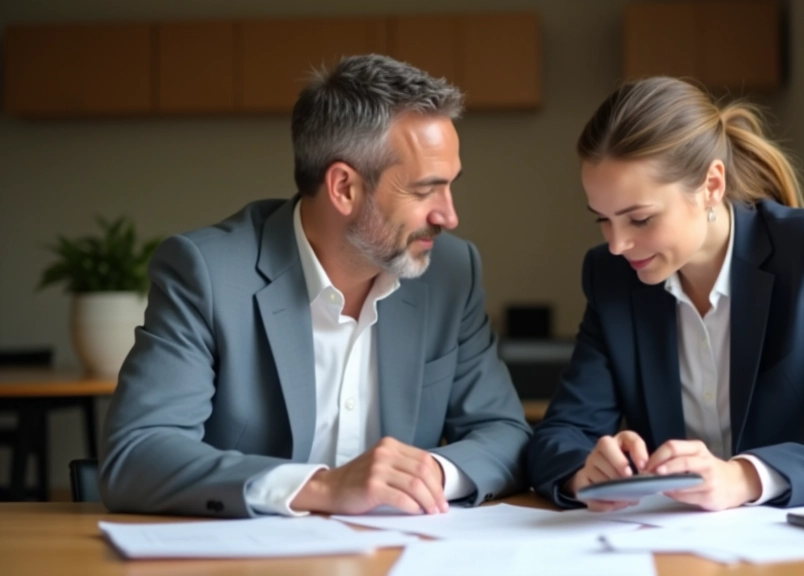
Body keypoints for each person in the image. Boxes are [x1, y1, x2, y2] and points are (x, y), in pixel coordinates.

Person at [100, 54, 531, 518]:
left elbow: (505, 432)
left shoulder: (451, 271)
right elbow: (137, 453)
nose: (449, 215)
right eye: (425, 191)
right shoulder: (208, 272)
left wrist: (427, 475)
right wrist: (322, 488)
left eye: (450, 186)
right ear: (344, 187)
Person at [527, 77, 804, 512]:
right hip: (668, 548)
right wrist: (587, 468)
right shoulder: (611, 276)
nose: (617, 244)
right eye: (602, 219)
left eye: (639, 219)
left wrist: (745, 477)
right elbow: (557, 437)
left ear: (712, 185)